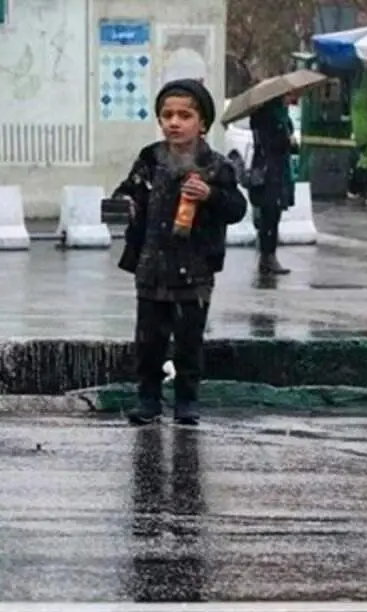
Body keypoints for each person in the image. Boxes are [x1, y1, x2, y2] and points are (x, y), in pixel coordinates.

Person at [111, 79, 249, 426]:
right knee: (148, 340)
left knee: (189, 340)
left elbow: (236, 208)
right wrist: (124, 204)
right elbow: (129, 191)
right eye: (167, 115)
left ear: (201, 123)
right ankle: (148, 399)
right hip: (151, 266)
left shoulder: (216, 166)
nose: (174, 122)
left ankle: (187, 400)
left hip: (195, 270)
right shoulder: (150, 159)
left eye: (184, 115)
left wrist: (210, 195)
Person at [247, 94, 297, 275]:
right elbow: (273, 143)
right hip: (269, 171)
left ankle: (268, 256)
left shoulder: (280, 115)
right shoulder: (268, 116)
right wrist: (286, 139)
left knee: (273, 215)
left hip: (275, 170)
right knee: (269, 214)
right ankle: (268, 256)